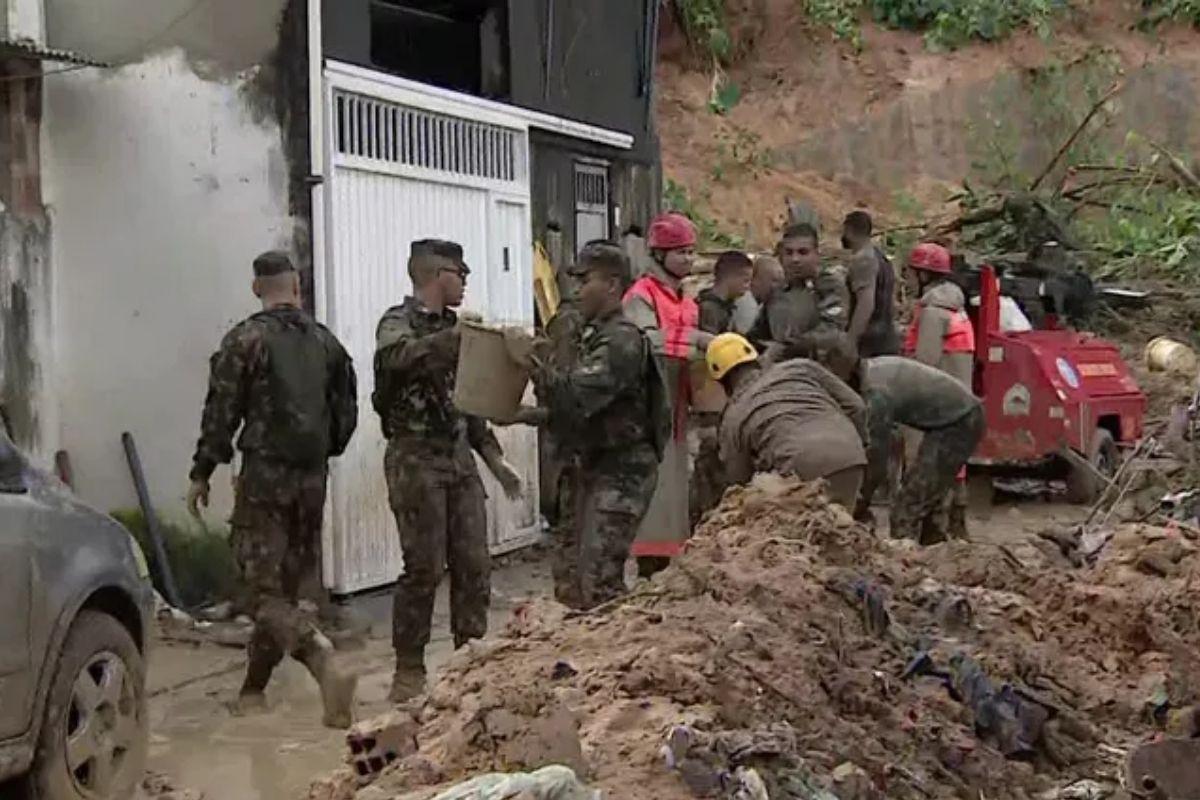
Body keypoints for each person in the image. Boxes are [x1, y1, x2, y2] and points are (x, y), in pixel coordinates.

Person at [187, 251, 359, 728]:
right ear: (297, 286)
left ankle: (321, 657)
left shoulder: (246, 340)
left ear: (256, 287)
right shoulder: (328, 344)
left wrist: (203, 469)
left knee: (257, 593)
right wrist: (324, 452)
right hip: (312, 477)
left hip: (265, 477)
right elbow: (346, 413)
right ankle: (252, 691)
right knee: (286, 589)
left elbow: (221, 412)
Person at [373, 239, 522, 702]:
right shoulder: (398, 323)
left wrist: (495, 460)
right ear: (439, 274)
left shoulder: (461, 330)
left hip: (459, 461)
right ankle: (409, 669)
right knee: (422, 568)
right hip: (415, 459)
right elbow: (396, 360)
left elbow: (471, 401)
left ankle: (469, 660)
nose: (465, 284)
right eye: (461, 274)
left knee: (474, 564)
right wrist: (456, 339)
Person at [514, 242, 665, 608]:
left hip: (621, 472)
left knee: (600, 582)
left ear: (612, 286)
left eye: (585, 280)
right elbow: (576, 413)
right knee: (570, 583)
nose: (577, 290)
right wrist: (524, 415)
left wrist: (530, 360)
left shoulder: (621, 340)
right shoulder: (591, 335)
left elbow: (576, 396)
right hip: (589, 469)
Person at [623, 212, 712, 570]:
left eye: (691, 252)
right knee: (656, 491)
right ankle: (650, 566)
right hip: (648, 404)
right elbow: (648, 341)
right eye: (681, 253)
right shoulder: (640, 295)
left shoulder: (685, 299)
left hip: (677, 402)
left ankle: (665, 560)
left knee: (674, 487)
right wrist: (701, 340)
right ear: (660, 255)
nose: (689, 260)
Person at [708, 333, 867, 509]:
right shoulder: (801, 367)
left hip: (797, 469)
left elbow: (738, 481)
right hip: (850, 458)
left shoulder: (733, 417)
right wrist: (860, 445)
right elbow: (857, 406)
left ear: (722, 382)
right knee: (841, 528)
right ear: (756, 358)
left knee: (798, 532)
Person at [845, 355, 984, 542]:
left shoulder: (876, 394)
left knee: (907, 508)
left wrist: (859, 503)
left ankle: (904, 562)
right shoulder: (873, 369)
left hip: (962, 421)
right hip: (959, 416)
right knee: (926, 506)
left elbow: (876, 460)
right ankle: (934, 554)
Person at [903, 242, 977, 537]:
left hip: (934, 406)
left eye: (910, 273)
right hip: (958, 404)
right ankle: (956, 531)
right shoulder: (956, 308)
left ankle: (930, 534)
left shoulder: (933, 312)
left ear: (923, 275)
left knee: (925, 465)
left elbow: (925, 364)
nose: (907, 279)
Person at [691, 250, 753, 526]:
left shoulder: (722, 307)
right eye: (746, 280)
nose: (747, 287)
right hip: (710, 397)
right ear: (734, 276)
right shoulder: (711, 311)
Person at [748, 223, 851, 364]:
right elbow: (758, 333)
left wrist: (788, 348)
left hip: (821, 372)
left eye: (803, 252)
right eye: (789, 253)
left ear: (817, 254)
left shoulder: (829, 286)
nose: (795, 259)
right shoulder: (778, 291)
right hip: (780, 372)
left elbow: (831, 331)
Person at [842, 211, 898, 357]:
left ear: (848, 230)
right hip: (887, 336)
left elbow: (866, 304)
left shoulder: (862, 260)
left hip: (869, 342)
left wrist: (851, 341)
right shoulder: (883, 259)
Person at [698, 250, 754, 334]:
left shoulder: (727, 305)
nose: (748, 286)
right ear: (730, 278)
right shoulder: (709, 308)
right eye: (746, 281)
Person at [732, 254, 785, 334]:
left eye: (781, 281)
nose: (778, 286)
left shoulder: (758, 303)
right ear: (756, 280)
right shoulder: (747, 304)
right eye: (774, 280)